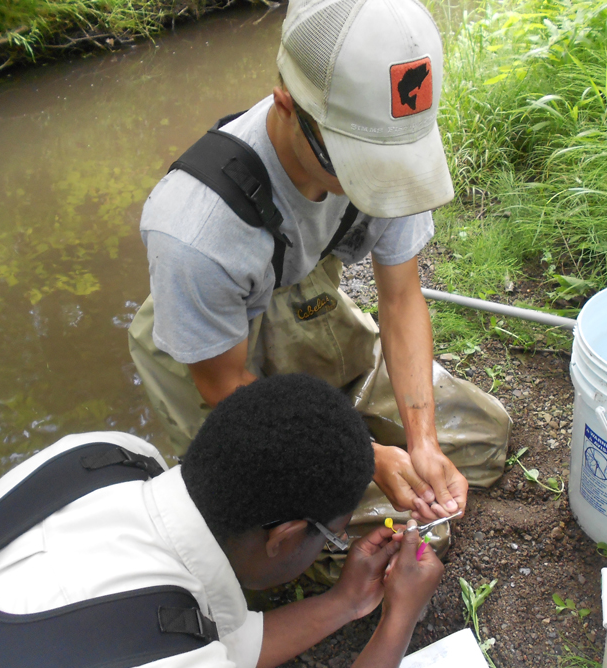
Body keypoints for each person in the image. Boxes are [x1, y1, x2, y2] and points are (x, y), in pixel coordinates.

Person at [127, 0, 512, 547]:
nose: (379, 181)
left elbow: (401, 299)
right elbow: (225, 385)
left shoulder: (387, 130)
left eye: (390, 158)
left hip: (298, 290)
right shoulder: (195, 234)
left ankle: (366, 439)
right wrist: (366, 455)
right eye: (359, 161)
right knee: (305, 542)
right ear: (287, 104)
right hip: (214, 351)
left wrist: (422, 440)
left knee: (479, 441)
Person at [0, 374, 444, 668]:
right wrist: (397, 620)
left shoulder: (106, 457)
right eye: (333, 537)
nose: (332, 548)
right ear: (286, 537)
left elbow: (215, 645)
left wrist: (349, 602)